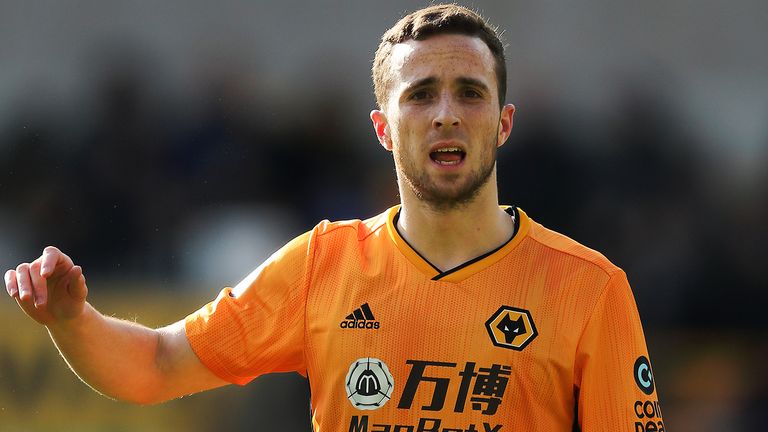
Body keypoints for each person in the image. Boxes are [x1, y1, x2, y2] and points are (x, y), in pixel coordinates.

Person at [4, 4, 665, 431]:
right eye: (420, 95)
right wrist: (72, 320)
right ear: (382, 128)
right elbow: (154, 364)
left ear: (504, 122)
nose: (446, 113)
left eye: (470, 92)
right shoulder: (323, 265)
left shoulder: (588, 288)